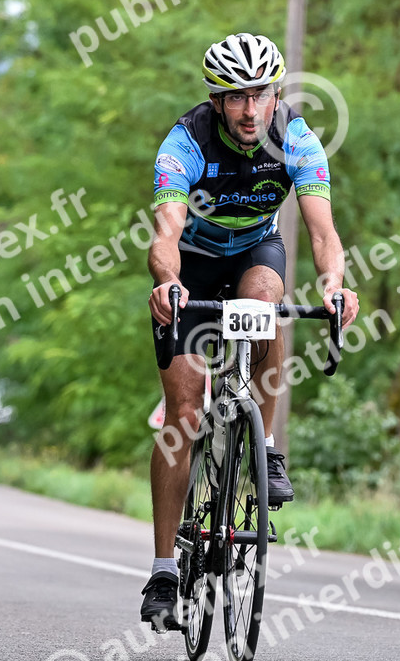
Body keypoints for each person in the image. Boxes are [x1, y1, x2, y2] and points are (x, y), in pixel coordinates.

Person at [141, 32, 359, 629]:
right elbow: (165, 234)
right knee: (184, 414)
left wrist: (334, 285)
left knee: (266, 298)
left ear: (276, 95)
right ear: (216, 101)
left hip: (255, 253)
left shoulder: (298, 139)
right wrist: (168, 283)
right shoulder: (184, 143)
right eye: (235, 97)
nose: (248, 109)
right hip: (190, 264)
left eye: (259, 94)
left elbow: (322, 232)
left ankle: (261, 446)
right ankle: (164, 570)